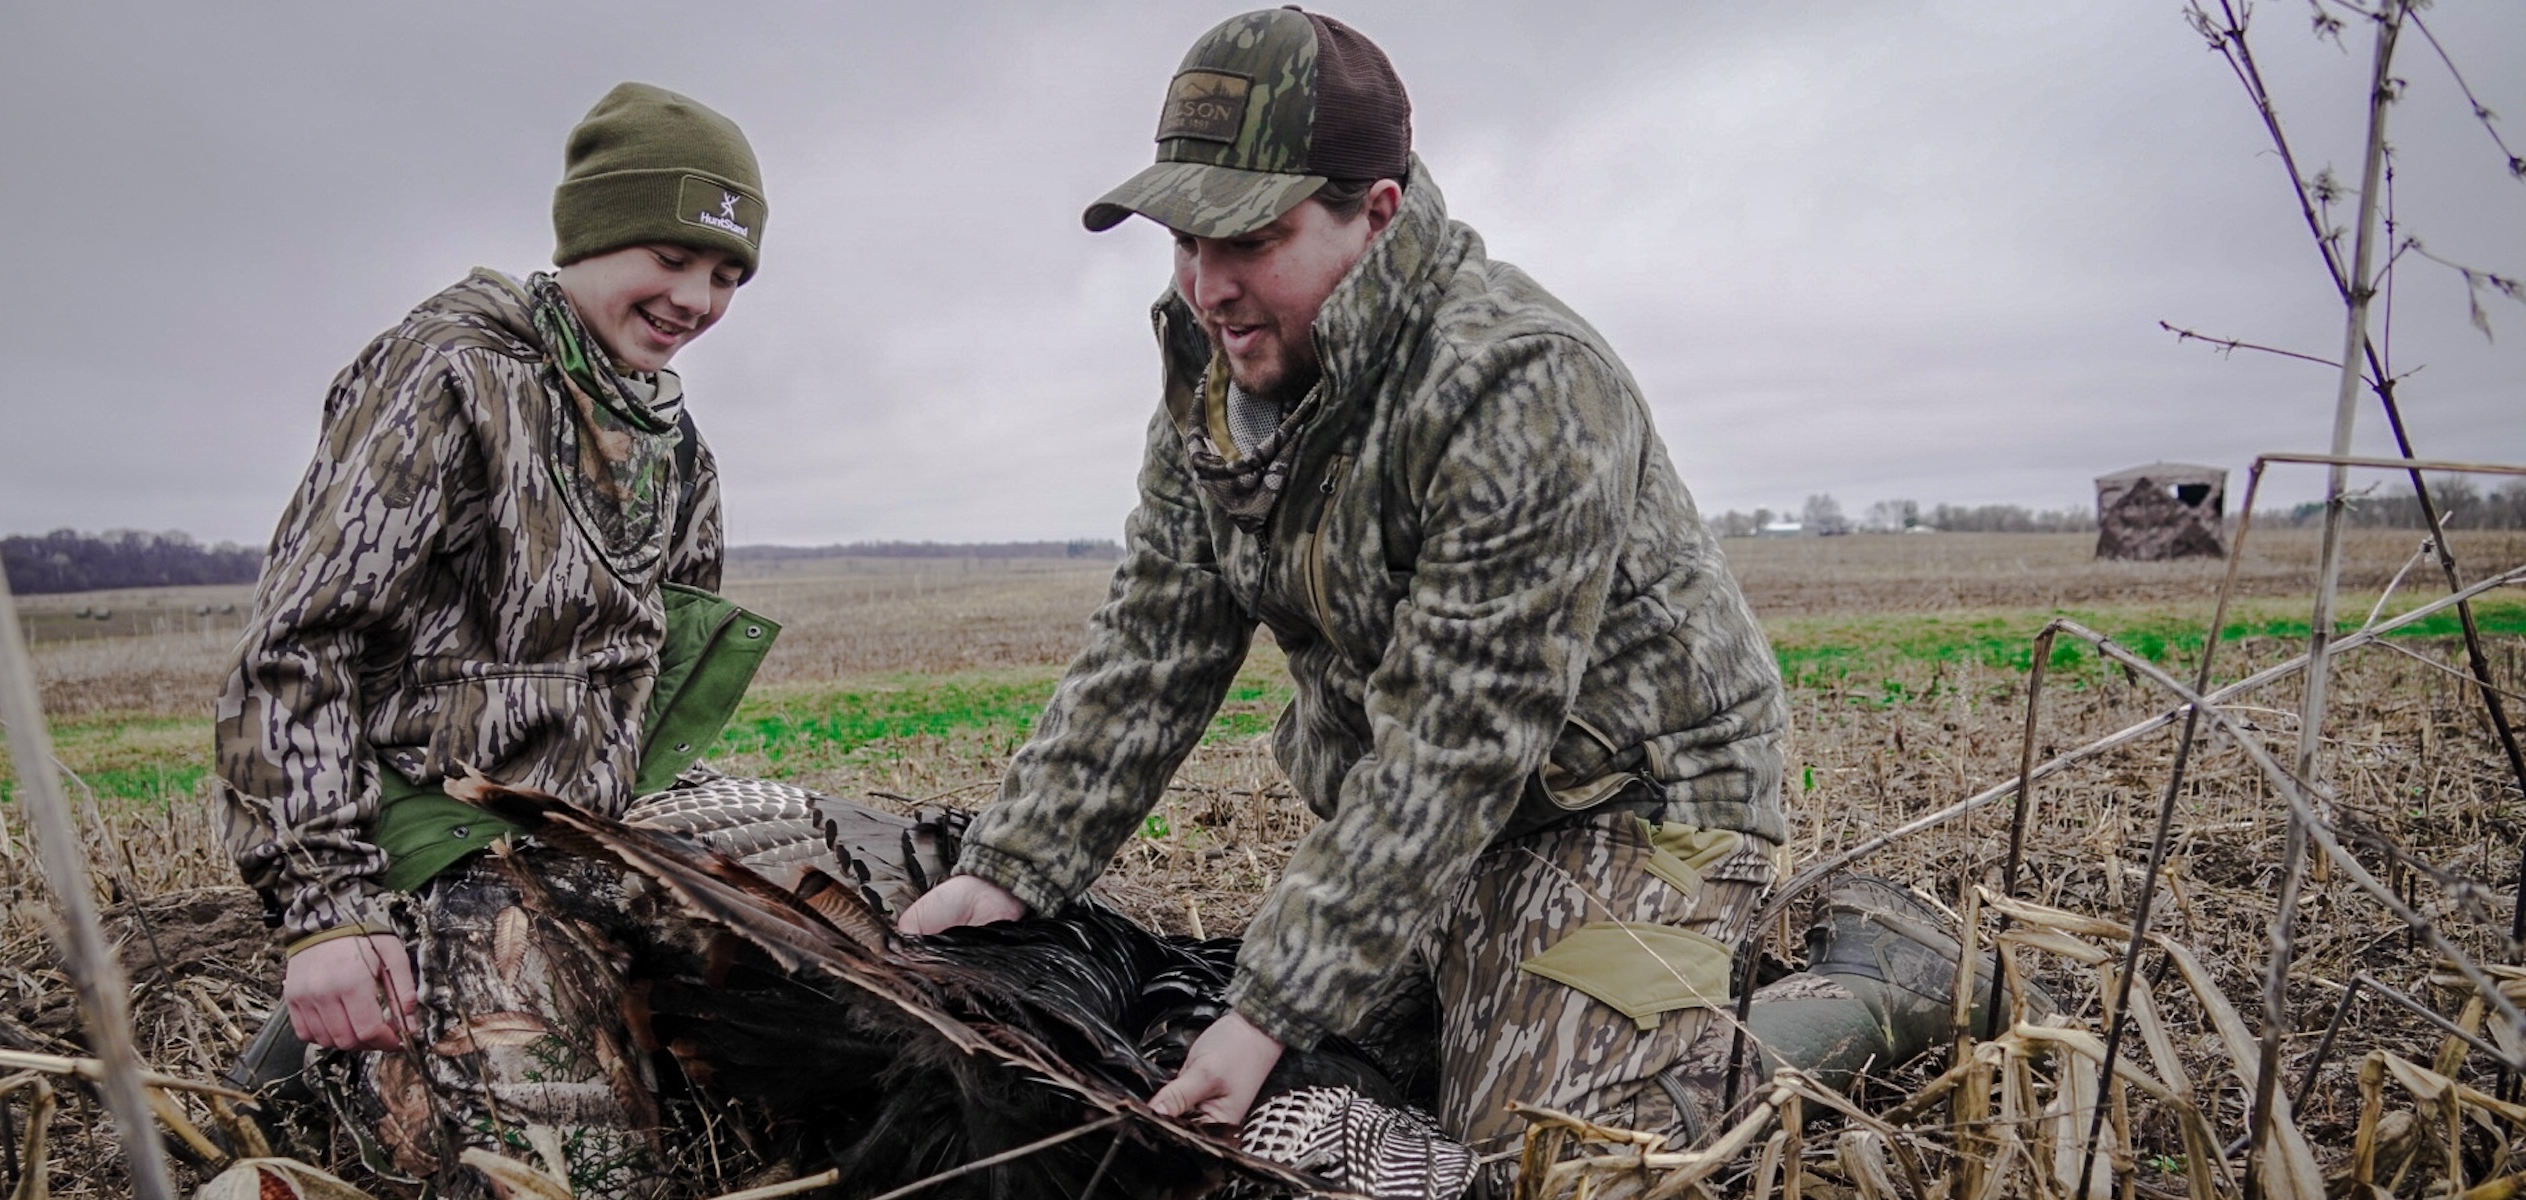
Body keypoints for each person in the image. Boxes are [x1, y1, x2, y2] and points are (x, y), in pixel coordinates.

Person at [897, 11, 2026, 1192]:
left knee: (1555, 1163)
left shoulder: (1518, 380)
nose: (1208, 285)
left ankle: (1879, 984)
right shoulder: (1216, 375)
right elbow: (1154, 640)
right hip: (1419, 821)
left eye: (1253, 239)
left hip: (1629, 812)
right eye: (1185, 239)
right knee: (1301, 1085)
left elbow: (1461, 740)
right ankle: (1569, 997)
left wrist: (1276, 1000)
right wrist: (1012, 865)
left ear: (1376, 213)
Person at [217, 82, 786, 1198]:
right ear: (590, 234)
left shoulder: (672, 441)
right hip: (437, 841)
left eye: (727, 276)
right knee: (574, 1181)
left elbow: (649, 679)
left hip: (580, 836)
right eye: (671, 257)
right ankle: (332, 1064)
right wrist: (327, 916)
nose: (696, 299)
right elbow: (298, 647)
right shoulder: (448, 374)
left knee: (839, 952)